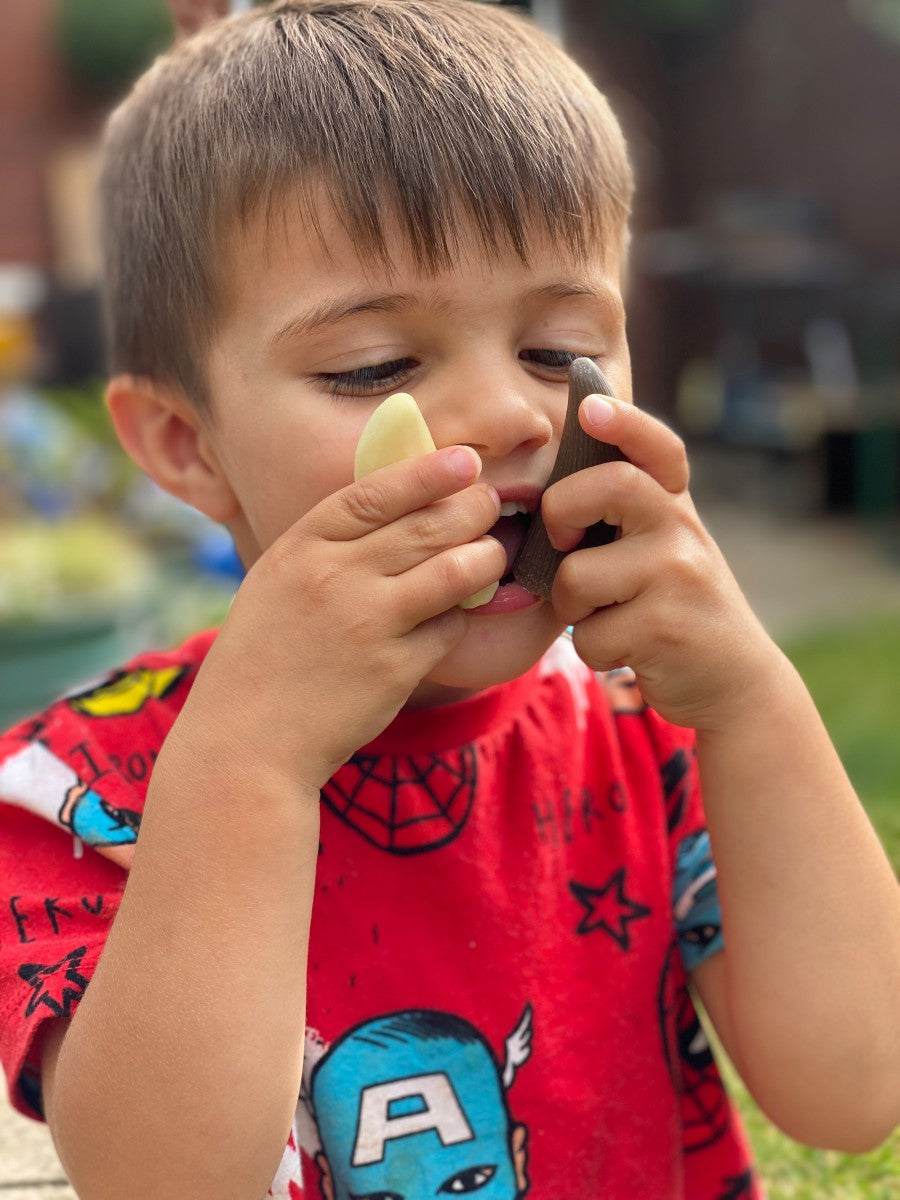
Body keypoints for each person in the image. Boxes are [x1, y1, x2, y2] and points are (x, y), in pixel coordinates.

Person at [0, 2, 898, 1196]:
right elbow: (168, 1179)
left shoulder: (649, 731)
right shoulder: (77, 793)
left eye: (557, 348)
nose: (515, 416)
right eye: (375, 366)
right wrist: (251, 764)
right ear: (186, 444)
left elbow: (854, 1087)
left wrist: (753, 704)